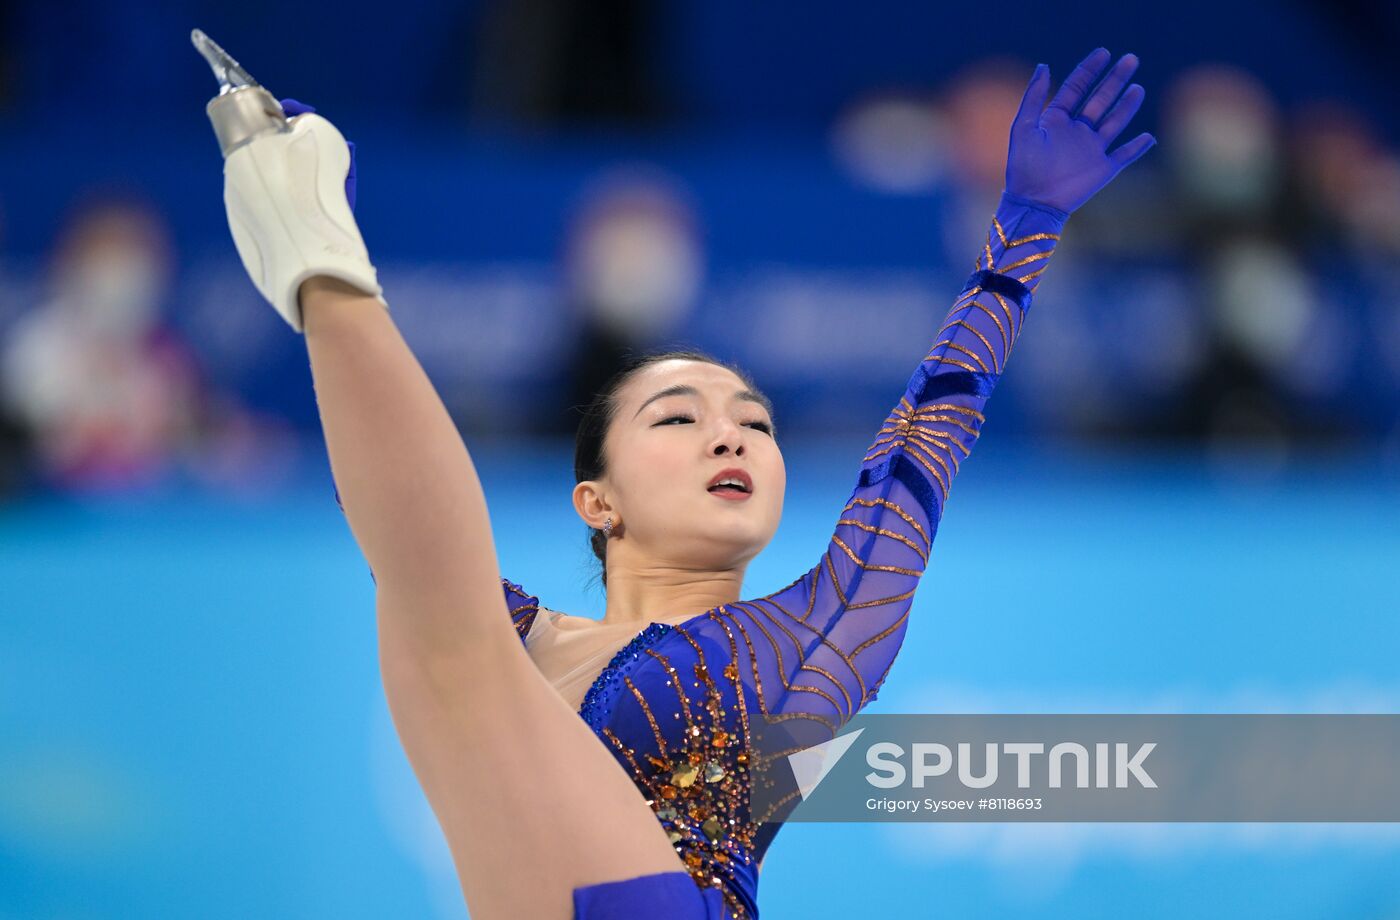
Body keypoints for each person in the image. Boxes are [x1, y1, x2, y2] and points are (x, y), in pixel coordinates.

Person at [216, 48, 1153, 919]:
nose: (729, 437)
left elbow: (923, 446)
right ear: (598, 500)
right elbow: (393, 519)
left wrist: (1023, 231)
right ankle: (319, 260)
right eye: (678, 419)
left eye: (755, 423)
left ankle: (321, 260)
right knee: (438, 615)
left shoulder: (815, 635)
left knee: (447, 624)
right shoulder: (503, 634)